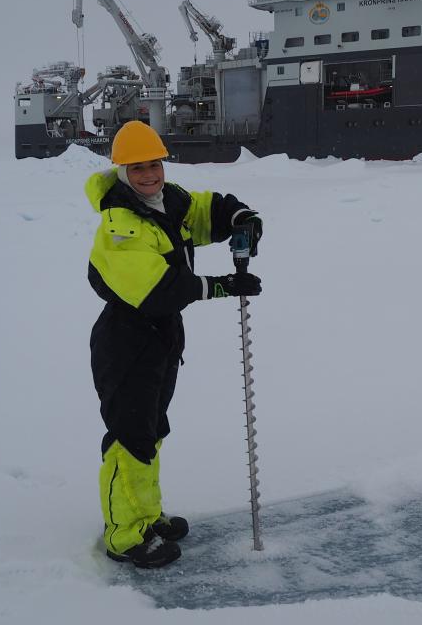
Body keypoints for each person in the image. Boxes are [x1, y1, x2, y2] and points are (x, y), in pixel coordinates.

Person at [84, 120, 263, 569]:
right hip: (126, 341)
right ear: (122, 170)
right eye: (138, 168)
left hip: (162, 335)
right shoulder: (119, 225)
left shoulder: (167, 201)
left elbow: (204, 211)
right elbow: (155, 289)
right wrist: (220, 286)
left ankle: (147, 516)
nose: (149, 175)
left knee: (153, 431)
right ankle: (124, 536)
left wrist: (240, 217)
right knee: (130, 438)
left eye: (155, 165)